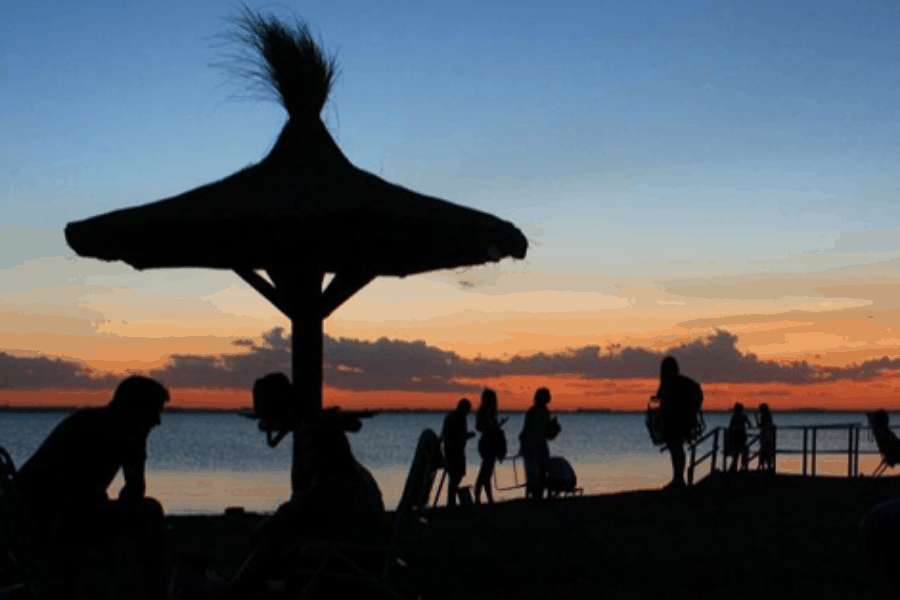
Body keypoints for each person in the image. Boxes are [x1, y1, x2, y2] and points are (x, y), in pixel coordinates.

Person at [16, 375, 169, 600]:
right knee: (150, 513)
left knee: (145, 512)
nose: (157, 421)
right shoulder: (107, 429)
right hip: (49, 517)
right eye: (154, 411)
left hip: (48, 513)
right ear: (136, 410)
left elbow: (132, 490)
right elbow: (69, 490)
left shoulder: (99, 424)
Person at [654, 356, 703, 489]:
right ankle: (678, 478)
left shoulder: (669, 382)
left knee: (675, 449)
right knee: (678, 449)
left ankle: (678, 479)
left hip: (672, 421)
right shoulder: (683, 381)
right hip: (683, 421)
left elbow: (660, 398)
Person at [519, 388, 560, 500]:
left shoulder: (537, 411)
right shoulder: (538, 412)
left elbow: (543, 432)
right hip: (534, 446)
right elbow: (539, 430)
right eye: (547, 396)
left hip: (535, 445)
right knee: (536, 472)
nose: (549, 398)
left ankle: (536, 495)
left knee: (537, 472)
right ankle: (536, 496)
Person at [474, 388, 507, 505]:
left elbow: (483, 427)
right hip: (489, 443)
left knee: (487, 471)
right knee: (486, 471)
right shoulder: (488, 411)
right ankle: (479, 494)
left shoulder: (483, 411)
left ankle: (487, 497)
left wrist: (498, 424)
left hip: (485, 442)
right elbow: (489, 428)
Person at [441, 399, 475, 507]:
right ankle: (451, 502)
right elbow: (455, 436)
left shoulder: (453, 417)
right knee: (455, 476)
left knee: (456, 476)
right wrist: (467, 436)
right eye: (467, 410)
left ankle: (452, 501)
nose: (468, 413)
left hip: (454, 451)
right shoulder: (456, 418)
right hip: (454, 452)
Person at [725, 402, 752, 473]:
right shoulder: (744, 416)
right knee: (742, 451)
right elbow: (750, 425)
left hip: (735, 436)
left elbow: (731, 426)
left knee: (736, 453)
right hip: (742, 436)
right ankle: (743, 466)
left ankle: (734, 467)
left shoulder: (734, 416)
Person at [755, 403, 776, 472]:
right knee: (766, 452)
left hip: (765, 436)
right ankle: (766, 466)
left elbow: (760, 425)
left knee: (764, 451)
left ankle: (762, 467)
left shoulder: (764, 416)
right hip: (769, 436)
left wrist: (756, 418)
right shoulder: (769, 416)